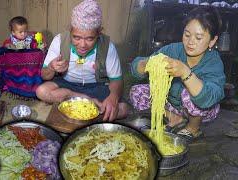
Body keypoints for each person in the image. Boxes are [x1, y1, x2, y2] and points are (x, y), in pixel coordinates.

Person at [129, 6, 225, 140]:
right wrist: (146, 64)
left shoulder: (214, 63)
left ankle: (193, 128)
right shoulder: (173, 50)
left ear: (212, 41)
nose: (190, 42)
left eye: (198, 37)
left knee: (189, 91)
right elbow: (135, 68)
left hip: (202, 111)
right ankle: (173, 118)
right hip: (173, 105)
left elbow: (208, 98)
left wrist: (185, 72)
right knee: (137, 92)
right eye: (187, 35)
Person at [36, 0, 128, 122]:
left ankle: (86, 109)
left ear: (99, 33)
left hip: (96, 87)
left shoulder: (107, 46)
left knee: (123, 109)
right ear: (70, 30)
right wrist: (52, 68)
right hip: (67, 86)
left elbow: (116, 80)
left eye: (90, 38)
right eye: (76, 38)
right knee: (42, 91)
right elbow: (45, 75)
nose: (82, 45)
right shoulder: (59, 41)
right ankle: (88, 103)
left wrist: (113, 97)